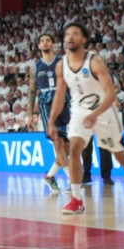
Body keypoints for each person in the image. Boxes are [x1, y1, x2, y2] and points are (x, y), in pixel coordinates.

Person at [47, 22, 124, 215]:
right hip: (79, 110)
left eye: (75, 33)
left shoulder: (94, 61)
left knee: (120, 156)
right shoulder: (61, 65)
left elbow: (111, 94)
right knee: (74, 148)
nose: (70, 36)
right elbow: (59, 95)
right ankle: (77, 199)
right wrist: (51, 121)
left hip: (103, 110)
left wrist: (94, 115)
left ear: (84, 39)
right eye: (68, 34)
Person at [28, 33, 71, 193]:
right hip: (47, 106)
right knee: (57, 143)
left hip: (64, 105)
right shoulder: (35, 66)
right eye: (42, 41)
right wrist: (30, 114)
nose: (45, 43)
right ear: (39, 46)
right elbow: (32, 91)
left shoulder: (62, 62)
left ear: (53, 44)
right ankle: (73, 181)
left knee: (67, 149)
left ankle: (49, 176)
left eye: (48, 40)